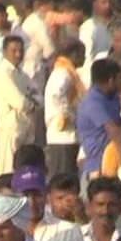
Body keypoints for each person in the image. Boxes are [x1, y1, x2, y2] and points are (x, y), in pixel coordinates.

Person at [0, 35, 39, 183]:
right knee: (7, 168)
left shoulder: (21, 73)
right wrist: (30, 102)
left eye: (20, 50)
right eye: (14, 50)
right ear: (5, 52)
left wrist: (31, 100)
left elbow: (38, 94)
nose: (18, 54)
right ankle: (1, 201)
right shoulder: (2, 73)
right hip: (10, 126)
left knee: (23, 166)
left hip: (25, 125)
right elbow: (19, 102)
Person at [76, 57, 121, 179]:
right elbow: (115, 132)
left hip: (113, 161)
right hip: (98, 166)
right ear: (111, 80)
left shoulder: (112, 97)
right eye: (118, 78)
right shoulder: (93, 103)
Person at [44, 40, 85, 177]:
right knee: (62, 177)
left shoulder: (67, 73)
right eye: (81, 55)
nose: (84, 58)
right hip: (62, 133)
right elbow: (57, 95)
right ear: (72, 55)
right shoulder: (63, 73)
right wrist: (68, 115)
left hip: (67, 134)